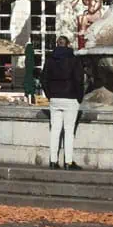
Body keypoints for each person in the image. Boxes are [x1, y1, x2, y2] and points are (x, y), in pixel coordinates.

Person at [41, 35, 85, 170]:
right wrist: (79, 97)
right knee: (69, 131)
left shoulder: (50, 59)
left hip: (55, 98)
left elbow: (43, 79)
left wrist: (50, 95)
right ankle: (68, 162)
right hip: (70, 97)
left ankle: (53, 161)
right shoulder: (74, 60)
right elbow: (79, 80)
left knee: (55, 130)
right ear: (68, 44)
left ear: (57, 44)